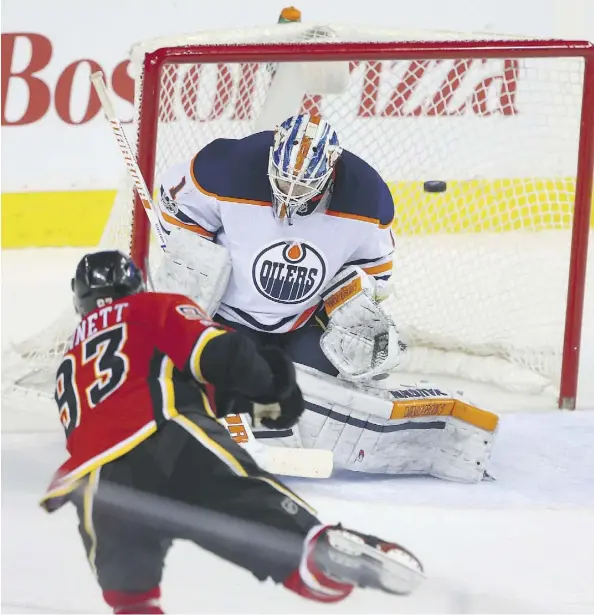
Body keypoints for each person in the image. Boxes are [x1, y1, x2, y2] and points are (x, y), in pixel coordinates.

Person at [41, 250, 423, 615]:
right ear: (135, 287)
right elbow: (220, 355)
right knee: (240, 495)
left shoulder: (68, 364)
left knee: (131, 596)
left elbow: (139, 400)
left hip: (95, 486)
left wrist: (258, 407)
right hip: (165, 438)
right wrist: (270, 384)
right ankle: (313, 549)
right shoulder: (151, 308)